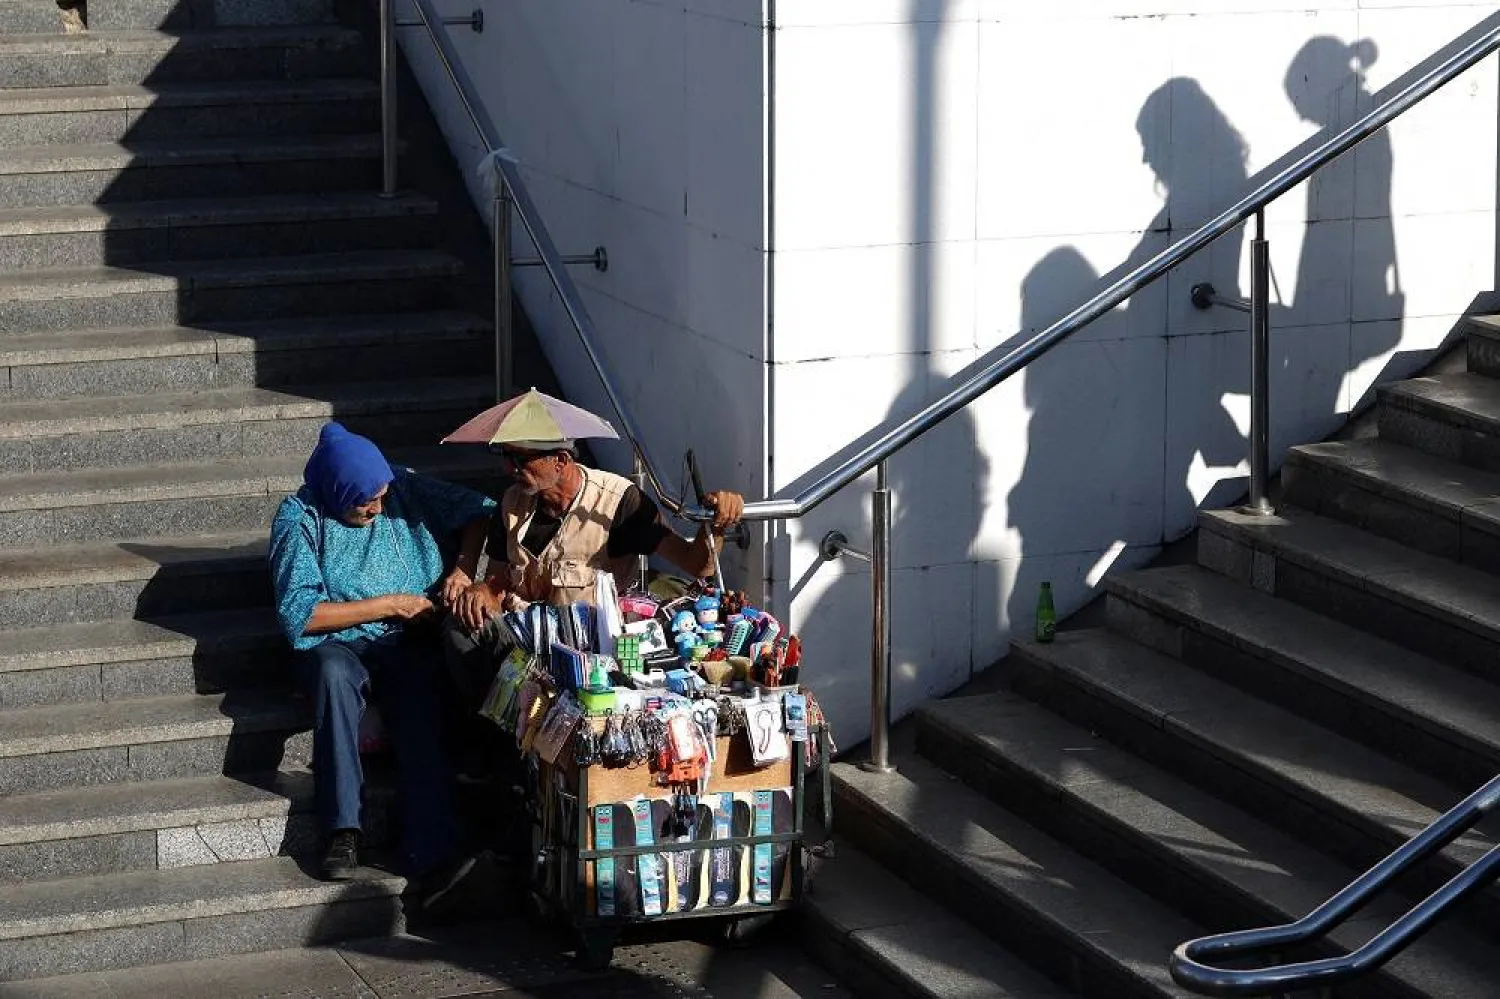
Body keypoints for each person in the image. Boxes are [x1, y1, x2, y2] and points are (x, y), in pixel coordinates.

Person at [267, 421, 494, 890]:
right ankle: (342, 829)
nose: (376, 507)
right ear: (334, 491)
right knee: (333, 677)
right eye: (363, 502)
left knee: (420, 694)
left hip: (404, 636)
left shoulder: (398, 483)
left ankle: (434, 849)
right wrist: (390, 603)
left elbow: (479, 510)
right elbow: (302, 616)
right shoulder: (299, 519)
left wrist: (464, 570)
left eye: (380, 497)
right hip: (336, 641)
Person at [441, 437, 745, 777]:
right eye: (506, 457)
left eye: (520, 459)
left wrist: (715, 526)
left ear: (560, 460)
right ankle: (497, 748)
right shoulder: (513, 501)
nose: (509, 468)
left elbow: (696, 564)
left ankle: (517, 762)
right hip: (529, 644)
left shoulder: (618, 501)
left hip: (592, 654)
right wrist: (481, 589)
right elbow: (497, 583)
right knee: (460, 627)